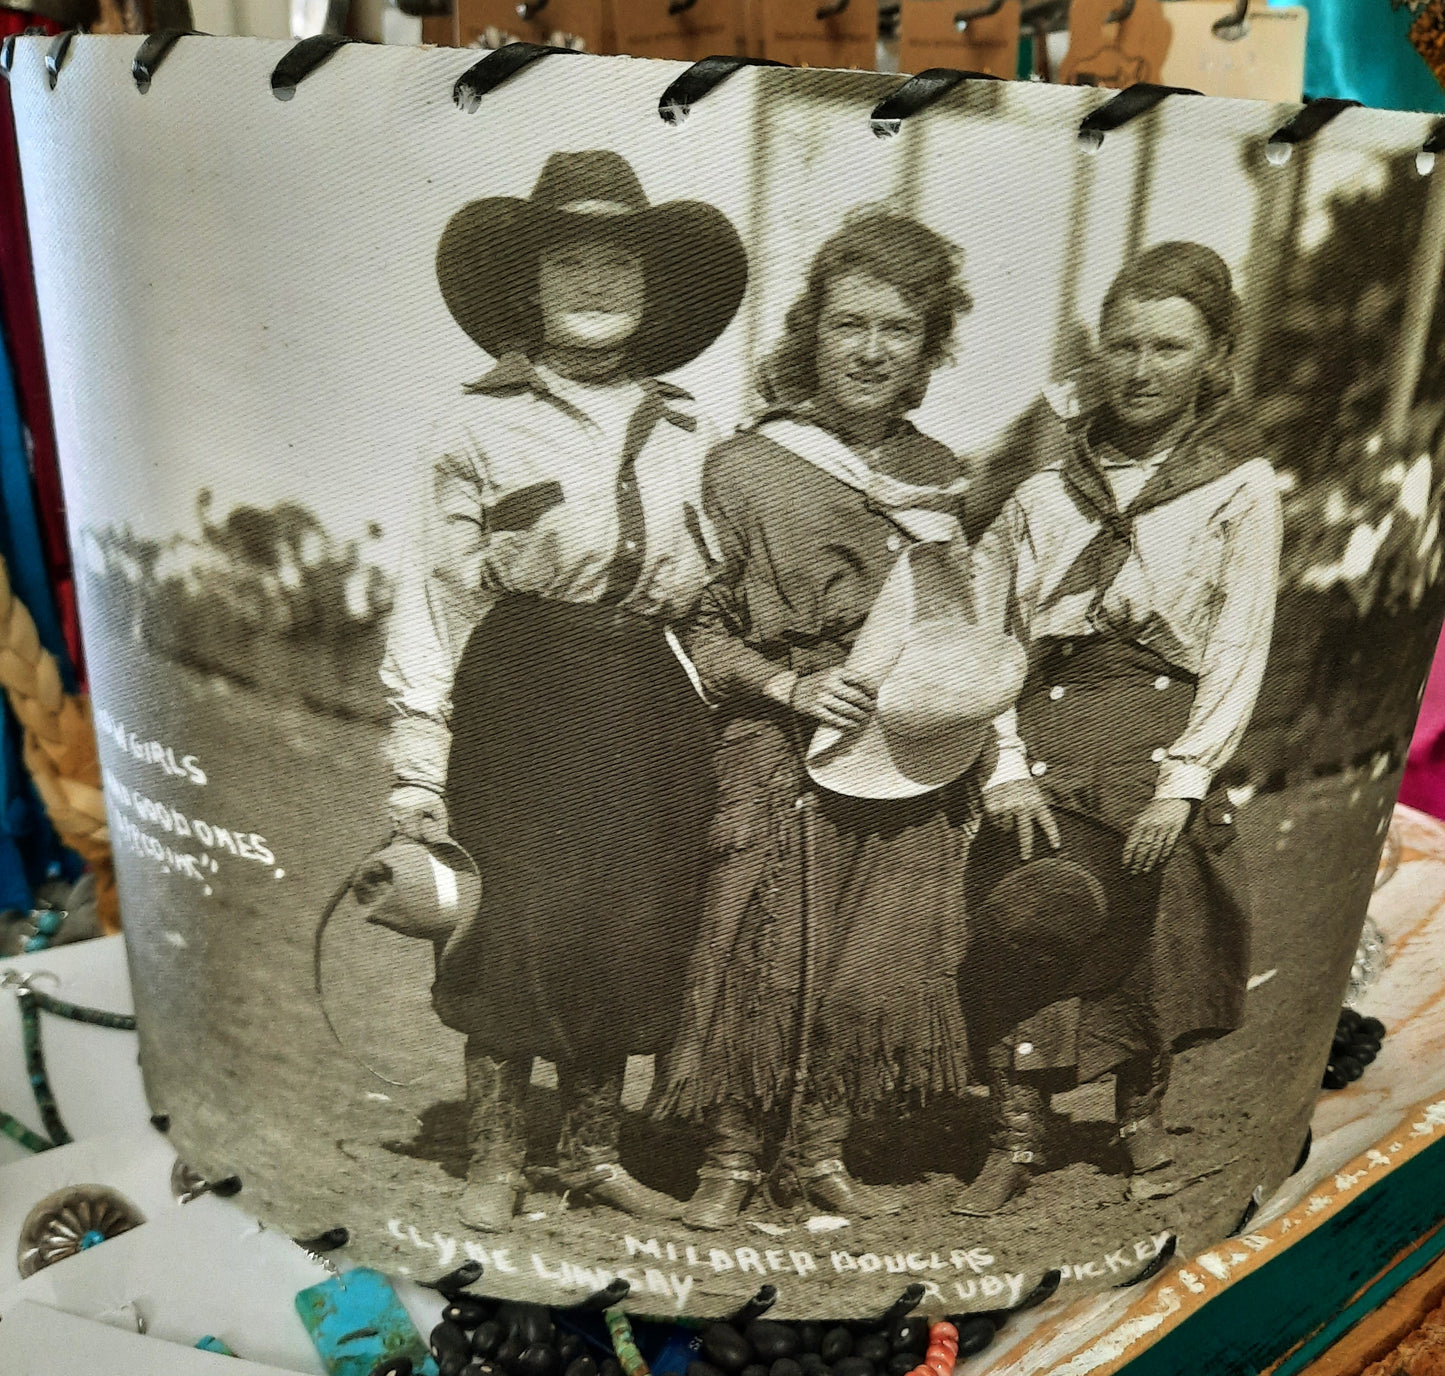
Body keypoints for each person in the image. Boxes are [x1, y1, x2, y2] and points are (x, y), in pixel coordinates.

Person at [379, 149, 748, 1232]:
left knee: (627, 924)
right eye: (568, 262)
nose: (594, 282)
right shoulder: (473, 423)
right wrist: (417, 760)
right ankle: (496, 1154)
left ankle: (593, 1153)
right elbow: (434, 596)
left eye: (617, 263)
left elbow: (719, 596)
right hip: (521, 690)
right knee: (511, 918)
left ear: (652, 287)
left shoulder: (696, 432)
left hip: (648, 699)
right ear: (529, 286)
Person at [653, 208, 976, 1231]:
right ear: (812, 331)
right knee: (760, 941)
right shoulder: (744, 464)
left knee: (871, 952)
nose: (870, 350)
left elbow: (957, 622)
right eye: (849, 324)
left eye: (898, 329)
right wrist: (785, 688)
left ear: (927, 347)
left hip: (905, 745)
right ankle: (729, 1155)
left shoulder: (942, 474)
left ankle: (820, 1152)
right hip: (776, 736)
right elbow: (697, 627)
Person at [956, 241, 1284, 1215]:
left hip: (1157, 736)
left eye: (1168, 348)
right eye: (1123, 345)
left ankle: (1139, 1117)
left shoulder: (1239, 485)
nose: (1141, 370)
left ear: (1213, 356)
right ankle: (1013, 1135)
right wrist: (1002, 763)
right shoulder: (1040, 489)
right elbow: (989, 634)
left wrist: (1184, 779)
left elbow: (1239, 641)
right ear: (1097, 352)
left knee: (1153, 935)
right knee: (1029, 916)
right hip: (1048, 733)